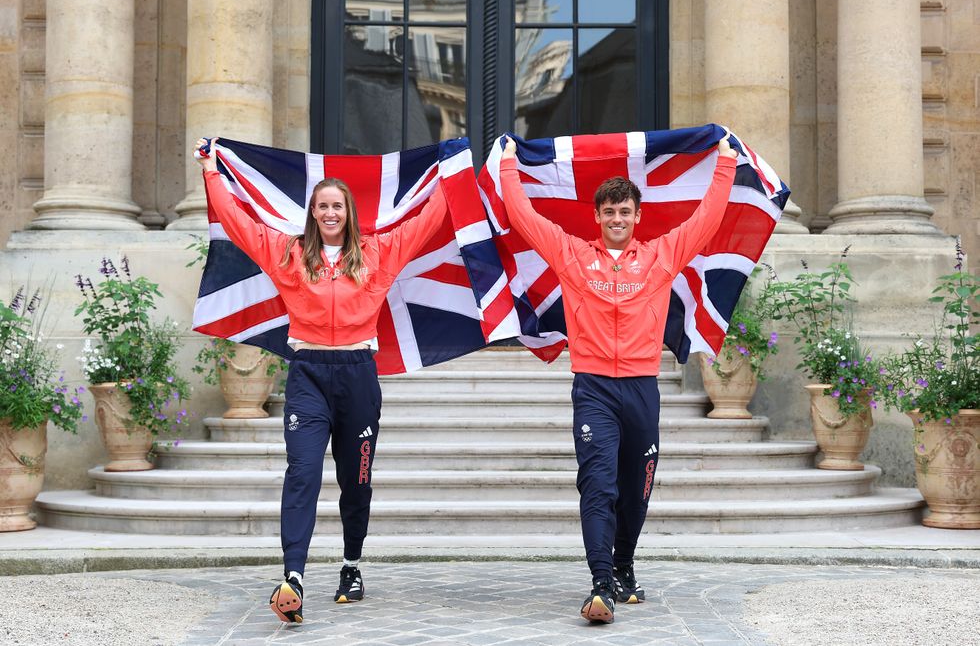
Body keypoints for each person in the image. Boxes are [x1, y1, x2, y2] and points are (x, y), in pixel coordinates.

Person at [195, 137, 449, 623]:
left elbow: (429, 219)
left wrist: (453, 171)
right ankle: (293, 576)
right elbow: (238, 221)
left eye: (337, 206)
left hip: (358, 376)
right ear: (312, 214)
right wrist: (210, 170)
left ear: (348, 212)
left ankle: (351, 565)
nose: (330, 213)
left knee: (356, 480)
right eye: (322, 206)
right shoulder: (288, 253)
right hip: (309, 374)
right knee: (303, 473)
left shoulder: (380, 252)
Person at [499, 132, 738, 623]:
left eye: (624, 212)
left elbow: (707, 218)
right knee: (598, 484)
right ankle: (600, 582)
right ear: (597, 217)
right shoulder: (570, 254)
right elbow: (524, 217)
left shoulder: (661, 256)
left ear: (636, 216)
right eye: (608, 212)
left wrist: (727, 162)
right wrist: (507, 164)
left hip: (641, 388)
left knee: (637, 486)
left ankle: (624, 562)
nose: (616, 220)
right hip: (593, 387)